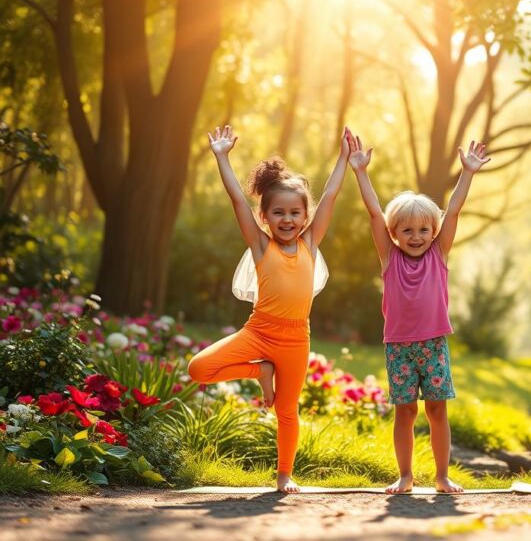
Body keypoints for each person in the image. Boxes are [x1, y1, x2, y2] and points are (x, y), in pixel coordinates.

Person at [187, 124, 351, 493]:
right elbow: (237, 201)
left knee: (287, 411)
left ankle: (284, 476)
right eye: (278, 213)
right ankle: (259, 371)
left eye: (295, 213)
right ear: (265, 217)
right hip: (258, 331)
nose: (287, 219)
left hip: (295, 340)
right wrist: (222, 157)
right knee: (198, 369)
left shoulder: (310, 243)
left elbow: (330, 196)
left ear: (305, 217)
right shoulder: (262, 247)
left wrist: (343, 158)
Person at [348, 134, 489, 494]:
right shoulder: (388, 257)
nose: (415, 236)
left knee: (437, 411)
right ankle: (406, 476)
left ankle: (442, 477)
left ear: (434, 231)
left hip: (433, 344)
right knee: (405, 412)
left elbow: (453, 209)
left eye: (423, 230)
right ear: (393, 234)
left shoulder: (438, 254)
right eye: (407, 231)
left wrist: (468, 173)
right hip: (399, 347)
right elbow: (375, 213)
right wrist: (361, 172)